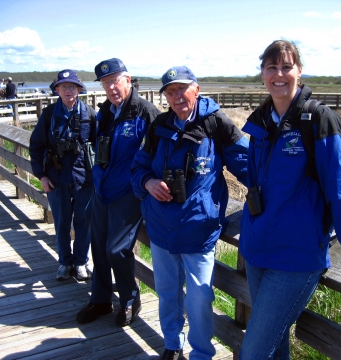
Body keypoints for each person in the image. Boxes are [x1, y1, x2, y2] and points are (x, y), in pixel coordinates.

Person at [238, 40, 341, 360]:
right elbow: (253, 180)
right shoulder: (261, 122)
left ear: (300, 71)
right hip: (256, 251)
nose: (279, 74)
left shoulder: (318, 120)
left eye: (286, 66)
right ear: (262, 74)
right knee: (274, 347)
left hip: (296, 258)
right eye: (271, 67)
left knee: (252, 352)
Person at [131, 66, 249, 360]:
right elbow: (137, 167)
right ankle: (172, 344)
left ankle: (200, 354)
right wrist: (148, 181)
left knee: (199, 299)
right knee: (168, 293)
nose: (177, 96)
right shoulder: (159, 126)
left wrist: (281, 194)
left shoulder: (215, 124)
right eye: (170, 91)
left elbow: (251, 167)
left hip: (198, 230)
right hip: (161, 229)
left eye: (182, 89)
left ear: (197, 89)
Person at [75, 58, 160, 328]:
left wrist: (147, 183)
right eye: (105, 83)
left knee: (117, 249)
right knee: (97, 246)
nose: (111, 87)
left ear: (127, 79)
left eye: (115, 80)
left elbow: (159, 153)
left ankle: (129, 300)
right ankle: (100, 299)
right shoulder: (105, 113)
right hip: (102, 191)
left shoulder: (145, 112)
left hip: (129, 192)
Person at [29, 70, 97, 281]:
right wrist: (41, 176)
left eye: (72, 86)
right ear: (57, 90)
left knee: (83, 223)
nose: (68, 90)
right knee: (61, 223)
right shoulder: (49, 115)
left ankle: (81, 263)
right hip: (56, 179)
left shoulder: (90, 114)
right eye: (63, 86)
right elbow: (36, 146)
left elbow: (101, 147)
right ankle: (64, 262)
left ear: (79, 89)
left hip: (84, 180)